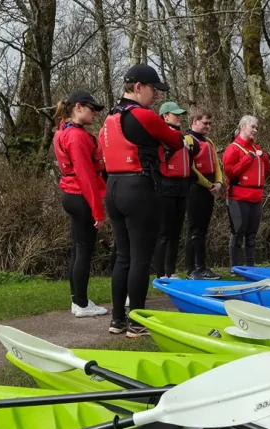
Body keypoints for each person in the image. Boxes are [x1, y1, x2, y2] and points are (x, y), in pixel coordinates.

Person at [99, 64, 184, 337]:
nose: (156, 96)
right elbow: (176, 141)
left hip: (113, 187)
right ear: (138, 87)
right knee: (140, 258)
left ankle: (117, 320)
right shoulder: (143, 115)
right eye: (153, 90)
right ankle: (136, 322)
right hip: (138, 188)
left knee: (123, 256)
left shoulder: (110, 117)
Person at [51, 90, 109, 318]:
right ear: (77, 108)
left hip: (72, 195)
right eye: (91, 109)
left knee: (78, 249)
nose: (95, 113)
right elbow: (85, 175)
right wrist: (98, 210)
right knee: (84, 250)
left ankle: (78, 301)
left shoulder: (63, 131)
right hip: (81, 195)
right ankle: (82, 304)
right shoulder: (76, 136)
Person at [152, 101, 199, 279]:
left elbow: (189, 164)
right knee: (163, 233)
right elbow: (160, 160)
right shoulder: (161, 136)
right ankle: (160, 274)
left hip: (182, 186)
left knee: (175, 233)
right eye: (175, 114)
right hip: (166, 186)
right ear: (165, 116)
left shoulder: (182, 137)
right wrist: (175, 145)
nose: (179, 116)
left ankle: (170, 272)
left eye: (179, 114)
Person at [222, 115, 270, 266]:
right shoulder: (233, 149)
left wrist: (264, 157)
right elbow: (230, 172)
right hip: (238, 197)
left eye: (256, 127)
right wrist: (247, 158)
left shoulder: (257, 148)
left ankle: (250, 266)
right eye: (252, 127)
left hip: (256, 197)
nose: (255, 130)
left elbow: (267, 169)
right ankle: (235, 266)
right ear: (243, 127)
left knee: (252, 234)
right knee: (238, 233)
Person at [185, 108, 223, 280]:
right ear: (194, 121)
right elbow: (190, 168)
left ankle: (202, 266)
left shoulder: (209, 142)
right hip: (195, 188)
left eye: (210, 123)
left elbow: (216, 164)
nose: (208, 126)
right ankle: (190, 268)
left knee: (202, 231)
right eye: (205, 123)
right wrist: (209, 184)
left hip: (209, 188)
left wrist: (219, 183)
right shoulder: (188, 140)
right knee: (193, 230)